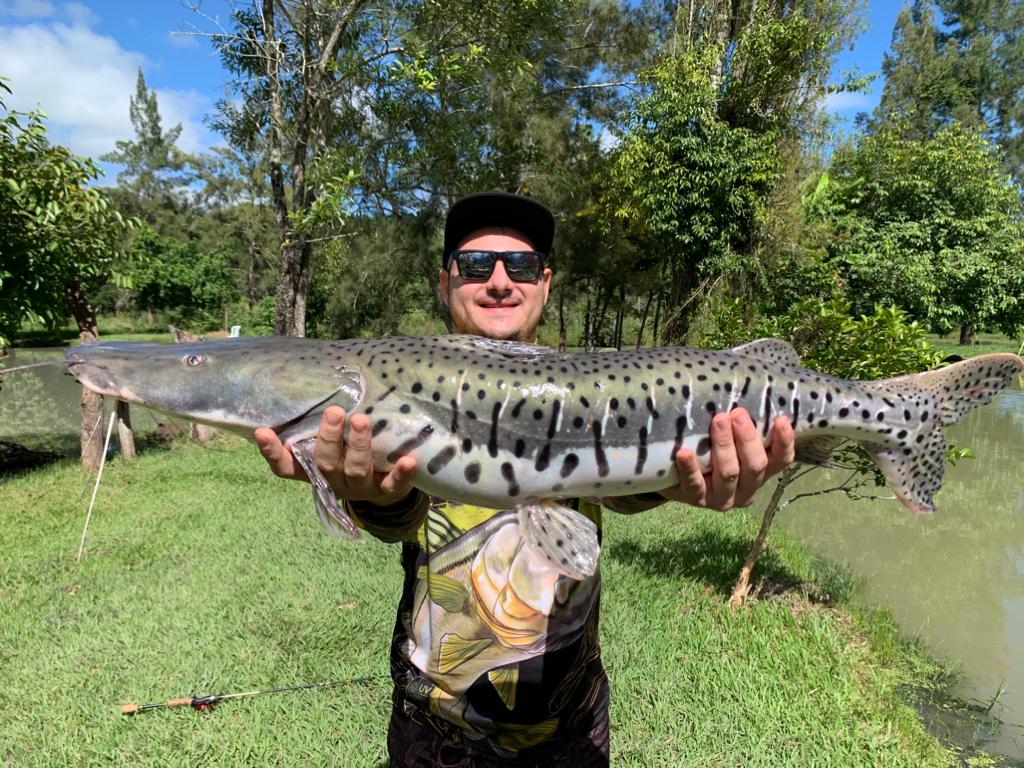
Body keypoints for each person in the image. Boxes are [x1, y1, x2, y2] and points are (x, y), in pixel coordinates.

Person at [255, 192, 795, 766]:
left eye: (521, 265)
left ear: (545, 283)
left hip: (571, 722)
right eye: (474, 265)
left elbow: (623, 488)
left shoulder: (588, 386)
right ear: (445, 282)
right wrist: (369, 497)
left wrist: (677, 481)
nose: (499, 281)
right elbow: (398, 517)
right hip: (435, 726)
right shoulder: (396, 380)